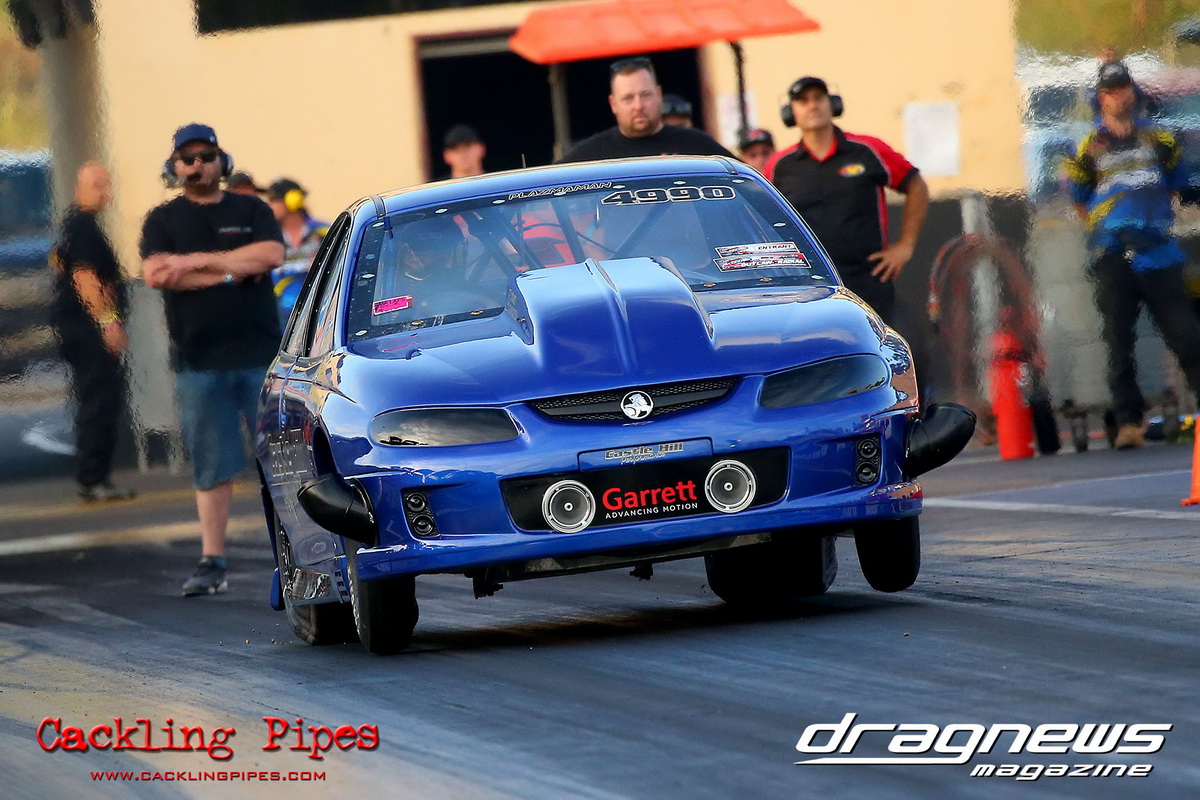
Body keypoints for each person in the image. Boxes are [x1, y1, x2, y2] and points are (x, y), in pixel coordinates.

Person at [141, 123, 285, 595]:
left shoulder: (251, 208)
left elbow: (269, 255)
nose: (197, 165)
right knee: (211, 466)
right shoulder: (162, 220)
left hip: (260, 356)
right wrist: (228, 269)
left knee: (282, 459)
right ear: (175, 166)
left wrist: (192, 263)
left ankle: (300, 553)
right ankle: (212, 562)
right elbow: (157, 274)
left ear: (223, 161)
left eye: (206, 156)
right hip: (199, 362)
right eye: (188, 158)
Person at [1065, 60, 1200, 450]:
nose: (1118, 97)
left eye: (1123, 88)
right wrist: (1103, 230)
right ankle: (1128, 423)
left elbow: (1177, 186)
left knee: (1187, 335)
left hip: (1159, 252)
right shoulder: (1087, 146)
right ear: (1101, 97)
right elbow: (1078, 198)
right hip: (1112, 255)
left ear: (1132, 91)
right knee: (1118, 342)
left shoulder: (1160, 140)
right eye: (1110, 91)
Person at [764, 76, 929, 327]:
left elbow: (916, 185)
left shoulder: (867, 149)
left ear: (833, 103)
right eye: (803, 101)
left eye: (818, 98)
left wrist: (905, 246)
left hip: (868, 281)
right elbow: (759, 217)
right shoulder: (779, 166)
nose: (813, 106)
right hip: (808, 288)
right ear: (790, 112)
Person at [49, 162, 136, 502]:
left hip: (77, 328)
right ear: (80, 189)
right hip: (88, 331)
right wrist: (108, 322)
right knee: (99, 401)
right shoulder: (84, 228)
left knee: (96, 399)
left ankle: (96, 476)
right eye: (98, 186)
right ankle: (93, 477)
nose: (105, 193)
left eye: (107, 185)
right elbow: (85, 279)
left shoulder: (72, 226)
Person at [559, 57, 735, 162]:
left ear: (659, 95)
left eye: (645, 95)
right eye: (628, 98)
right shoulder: (592, 156)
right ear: (613, 104)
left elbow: (744, 182)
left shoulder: (696, 145)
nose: (638, 106)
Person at [265, 177, 329, 324]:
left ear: (292, 200)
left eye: (274, 200)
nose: (270, 205)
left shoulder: (323, 232)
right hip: (279, 316)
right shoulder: (269, 238)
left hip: (319, 312)